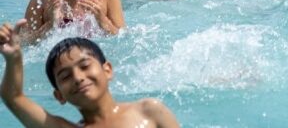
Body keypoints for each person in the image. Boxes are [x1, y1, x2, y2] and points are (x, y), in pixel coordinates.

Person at [1, 28, 180, 128]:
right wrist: (13, 57)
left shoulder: (148, 111)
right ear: (59, 96)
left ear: (107, 70)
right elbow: (13, 98)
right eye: (65, 76)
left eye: (85, 66)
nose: (78, 78)